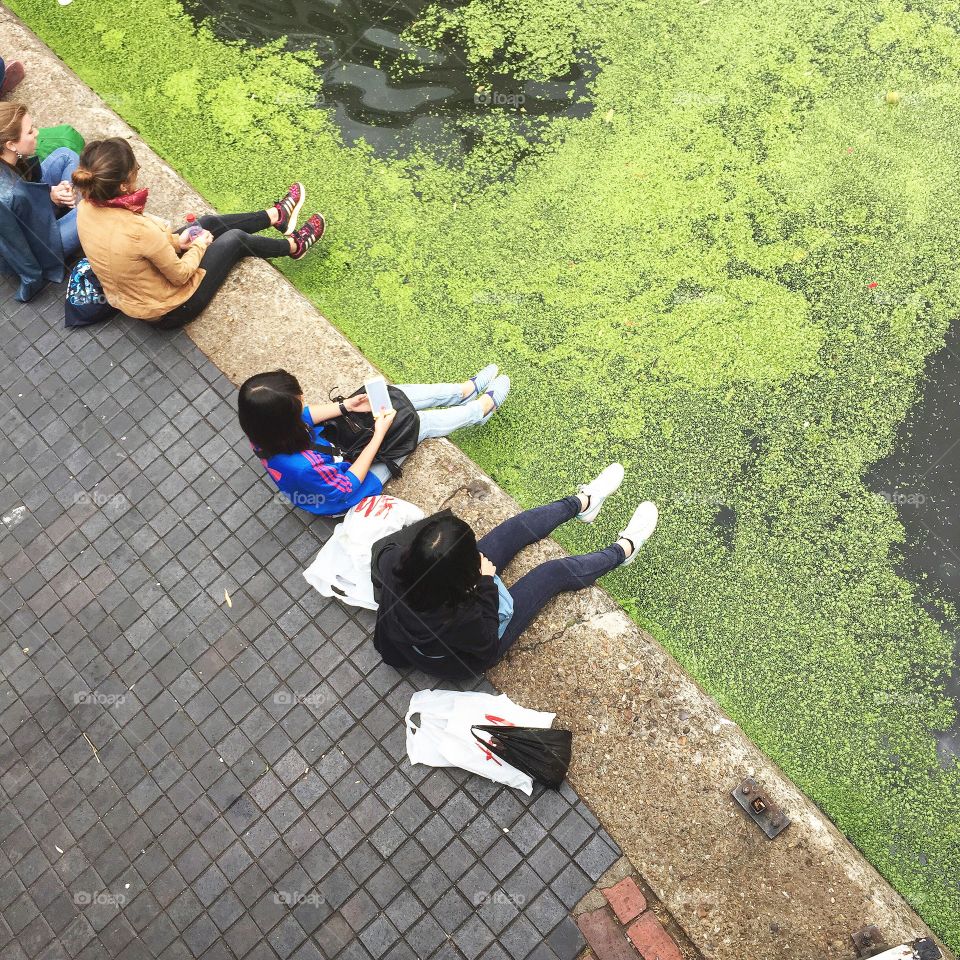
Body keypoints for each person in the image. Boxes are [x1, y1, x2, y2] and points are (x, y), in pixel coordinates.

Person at [371, 464, 658, 679]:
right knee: (553, 572)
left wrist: (473, 572)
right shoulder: (462, 618)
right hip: (460, 658)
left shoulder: (393, 563)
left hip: (424, 621)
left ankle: (583, 503)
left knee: (511, 530)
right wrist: (485, 583)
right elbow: (485, 643)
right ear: (461, 577)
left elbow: (390, 555)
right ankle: (624, 550)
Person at [72, 137, 324, 328]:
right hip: (168, 308)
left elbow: (138, 248)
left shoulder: (85, 206)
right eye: (135, 170)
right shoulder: (136, 229)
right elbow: (180, 275)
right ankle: (293, 247)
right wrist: (198, 245)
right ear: (124, 184)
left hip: (138, 291)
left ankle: (276, 216)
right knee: (233, 240)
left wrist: (177, 242)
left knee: (204, 222)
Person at [238, 365, 510, 517]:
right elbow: (347, 485)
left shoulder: (263, 430)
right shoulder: (303, 466)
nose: (304, 405)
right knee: (417, 425)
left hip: (331, 458)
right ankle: (479, 411)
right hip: (348, 491)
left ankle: (463, 390)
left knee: (391, 396)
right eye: (298, 405)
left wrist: (347, 406)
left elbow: (307, 416)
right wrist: (379, 434)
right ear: (284, 420)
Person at [0, 101, 81, 258]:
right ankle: (75, 208)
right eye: (30, 132)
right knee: (92, 209)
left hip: (31, 211)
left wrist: (51, 195)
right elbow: (32, 234)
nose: (37, 132)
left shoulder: (10, 160)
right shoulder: (12, 193)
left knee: (65, 155)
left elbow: (31, 198)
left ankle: (71, 202)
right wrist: (51, 201)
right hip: (42, 246)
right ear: (11, 144)